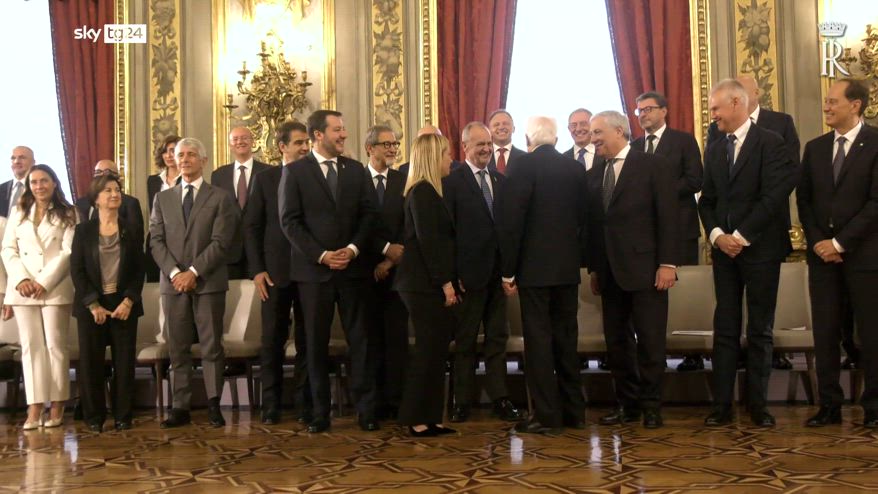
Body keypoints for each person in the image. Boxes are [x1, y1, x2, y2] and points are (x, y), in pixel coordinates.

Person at [698, 79, 796, 427]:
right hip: (724, 253)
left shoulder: (770, 142)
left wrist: (740, 236)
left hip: (761, 250)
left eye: (716, 108)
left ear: (736, 103)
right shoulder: (714, 149)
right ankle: (721, 407)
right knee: (725, 328)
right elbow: (707, 201)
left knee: (759, 330)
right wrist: (717, 236)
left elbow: (774, 196)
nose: (712, 115)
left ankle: (758, 406)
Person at [279, 110, 379, 433]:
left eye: (344, 128)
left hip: (353, 271)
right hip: (313, 274)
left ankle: (366, 411)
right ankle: (320, 413)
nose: (344, 134)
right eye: (337, 129)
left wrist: (352, 249)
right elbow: (289, 222)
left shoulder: (356, 170)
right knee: (314, 345)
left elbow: (369, 215)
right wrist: (322, 256)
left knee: (361, 342)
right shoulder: (295, 172)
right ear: (318, 135)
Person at [587, 111, 678, 429]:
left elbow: (669, 217)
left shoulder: (653, 165)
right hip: (609, 273)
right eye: (592, 133)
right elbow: (596, 226)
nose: (593, 139)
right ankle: (628, 405)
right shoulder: (595, 173)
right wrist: (595, 269)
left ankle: (652, 407)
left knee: (651, 342)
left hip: (647, 270)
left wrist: (667, 264)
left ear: (619, 131)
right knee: (617, 344)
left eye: (598, 132)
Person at [499, 116, 588, 434]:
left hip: (534, 271)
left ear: (528, 140)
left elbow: (513, 222)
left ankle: (546, 416)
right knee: (566, 340)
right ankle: (574, 412)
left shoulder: (522, 166)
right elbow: (583, 218)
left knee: (539, 343)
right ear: (556, 138)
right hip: (567, 270)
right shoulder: (574, 168)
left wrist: (508, 270)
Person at [798, 79, 878, 427]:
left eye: (833, 101)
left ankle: (874, 406)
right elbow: (805, 200)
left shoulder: (875, 143)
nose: (826, 107)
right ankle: (829, 405)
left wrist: (840, 243)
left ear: (855, 105)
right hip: (823, 259)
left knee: (871, 334)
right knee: (825, 333)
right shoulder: (815, 148)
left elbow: (876, 203)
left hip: (865, 257)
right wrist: (821, 242)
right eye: (826, 101)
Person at [149, 137, 239, 429]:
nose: (184, 160)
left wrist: (194, 272)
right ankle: (180, 407)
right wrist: (176, 273)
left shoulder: (220, 197)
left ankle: (214, 404)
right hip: (173, 285)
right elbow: (156, 241)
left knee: (212, 347)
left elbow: (221, 241)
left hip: (208, 282)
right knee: (178, 349)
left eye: (190, 154)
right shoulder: (162, 199)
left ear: (203, 160)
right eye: (180, 155)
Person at [444, 121, 521, 423]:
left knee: (497, 340)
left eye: (489, 144)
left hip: (497, 278)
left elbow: (507, 230)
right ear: (465, 147)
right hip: (467, 278)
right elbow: (448, 234)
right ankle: (462, 401)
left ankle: (500, 398)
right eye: (480, 145)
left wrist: (508, 272)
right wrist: (453, 276)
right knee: (465, 342)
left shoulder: (501, 181)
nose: (487, 149)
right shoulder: (452, 181)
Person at [630, 91, 705, 372]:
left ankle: (692, 353)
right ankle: (653, 353)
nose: (643, 115)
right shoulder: (635, 146)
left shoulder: (683, 141)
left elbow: (695, 180)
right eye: (639, 111)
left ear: (664, 111)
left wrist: (658, 192)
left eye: (648, 109)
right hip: (644, 236)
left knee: (684, 291)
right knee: (651, 298)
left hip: (680, 229)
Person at [244, 121, 312, 425]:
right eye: (298, 143)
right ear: (282, 147)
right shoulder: (265, 179)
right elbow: (252, 227)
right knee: (272, 340)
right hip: (273, 274)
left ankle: (305, 404)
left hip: (310, 271)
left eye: (307, 142)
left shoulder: (315, 177)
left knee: (308, 340)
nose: (305, 147)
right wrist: (257, 270)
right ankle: (271, 405)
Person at [2, 164, 77, 430]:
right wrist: (22, 279)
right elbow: (8, 249)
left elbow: (68, 252)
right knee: (31, 347)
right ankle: (34, 406)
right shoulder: (18, 211)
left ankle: (57, 403)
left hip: (54, 287)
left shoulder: (69, 212)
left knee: (56, 346)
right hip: (23, 289)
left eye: (44, 181)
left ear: (54, 183)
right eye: (33, 182)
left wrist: (43, 282)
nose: (39, 186)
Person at [393, 133, 459, 437]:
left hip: (425, 282)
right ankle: (416, 418)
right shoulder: (422, 192)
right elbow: (428, 243)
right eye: (446, 155)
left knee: (435, 350)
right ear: (433, 158)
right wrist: (446, 283)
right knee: (427, 350)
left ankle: (431, 418)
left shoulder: (430, 191)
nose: (450, 160)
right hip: (421, 284)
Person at [70, 172, 144, 432]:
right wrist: (92, 304)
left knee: (124, 363)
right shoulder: (83, 231)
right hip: (92, 306)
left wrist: (129, 301)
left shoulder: (131, 229)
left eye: (117, 190)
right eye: (108, 191)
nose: (115, 195)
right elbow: (77, 270)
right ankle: (94, 417)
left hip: (123, 304)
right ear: (96, 199)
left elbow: (139, 270)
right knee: (91, 363)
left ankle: (123, 415)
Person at [362, 125, 408, 420]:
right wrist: (383, 249)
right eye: (386, 144)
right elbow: (355, 224)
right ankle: (371, 403)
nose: (392, 149)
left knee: (396, 340)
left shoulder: (403, 180)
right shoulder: (356, 180)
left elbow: (408, 224)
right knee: (369, 340)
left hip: (397, 274)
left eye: (394, 145)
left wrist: (391, 260)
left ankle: (396, 401)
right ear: (370, 148)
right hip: (363, 272)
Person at [211, 127, 270, 280]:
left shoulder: (268, 172)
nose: (240, 142)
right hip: (229, 250)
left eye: (244, 138)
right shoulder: (218, 175)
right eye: (235, 139)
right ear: (230, 145)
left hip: (261, 248)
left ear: (252, 142)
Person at [146, 135, 182, 282]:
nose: (168, 155)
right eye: (165, 151)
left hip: (180, 240)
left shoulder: (187, 178)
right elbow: (153, 212)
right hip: (158, 238)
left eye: (172, 151)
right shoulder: (153, 181)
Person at [74, 160, 143, 234]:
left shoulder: (130, 203)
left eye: (106, 172)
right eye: (98, 172)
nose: (101, 176)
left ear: (117, 176)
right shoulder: (81, 204)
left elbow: (136, 235)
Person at [487, 110, 526, 174]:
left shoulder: (525, 158)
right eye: (496, 125)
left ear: (513, 128)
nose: (501, 127)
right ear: (489, 131)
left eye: (505, 124)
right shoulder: (482, 156)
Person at [1, 146, 36, 217]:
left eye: (22, 158)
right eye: (13, 158)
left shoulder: (39, 188)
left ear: (33, 162)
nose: (16, 161)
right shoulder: (1, 189)